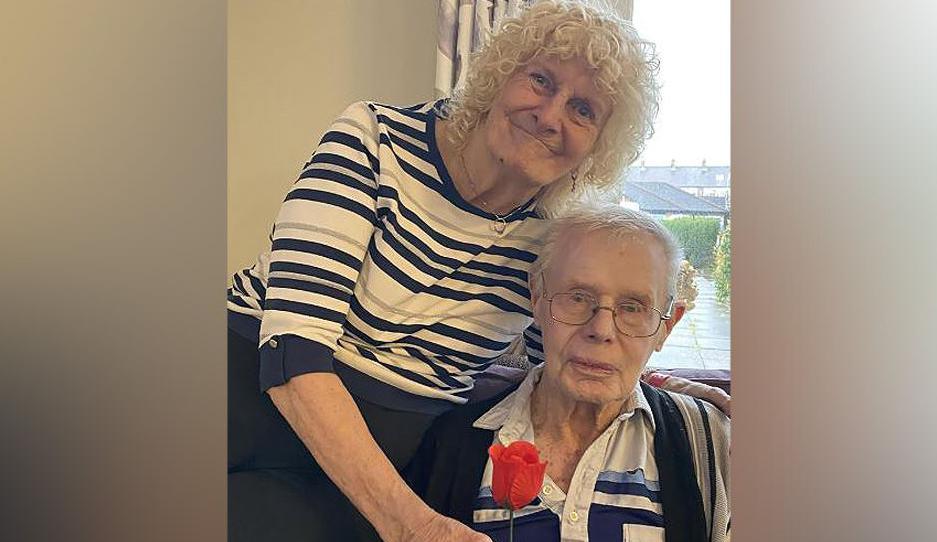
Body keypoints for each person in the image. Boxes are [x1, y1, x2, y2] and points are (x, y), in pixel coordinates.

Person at [227, 1, 726, 541]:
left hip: (381, 457)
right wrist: (411, 523)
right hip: (250, 391)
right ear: (499, 74)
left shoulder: (548, 238)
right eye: (541, 79)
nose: (550, 114)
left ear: (600, 143)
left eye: (583, 109)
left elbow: (569, 351)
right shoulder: (377, 139)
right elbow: (293, 346)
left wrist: (661, 386)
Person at [406, 204, 731, 542]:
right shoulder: (450, 445)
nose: (602, 329)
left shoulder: (712, 442)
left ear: (667, 325)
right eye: (577, 297)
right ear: (537, 297)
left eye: (632, 308)